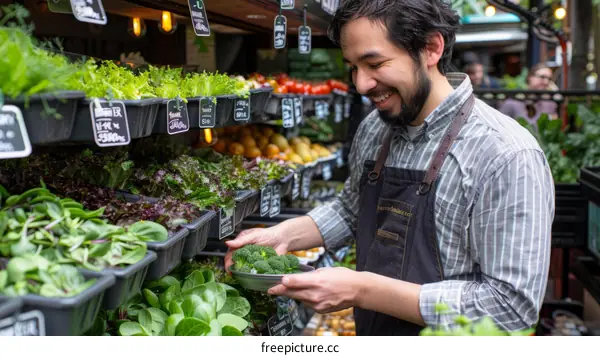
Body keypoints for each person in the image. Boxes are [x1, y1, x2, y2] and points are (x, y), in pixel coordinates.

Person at [226, 0, 554, 336]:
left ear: (431, 48)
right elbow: (352, 210)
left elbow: (512, 305)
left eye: (375, 63)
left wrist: (363, 291)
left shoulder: (506, 155)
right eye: (353, 67)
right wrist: (282, 235)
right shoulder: (375, 128)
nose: (361, 84)